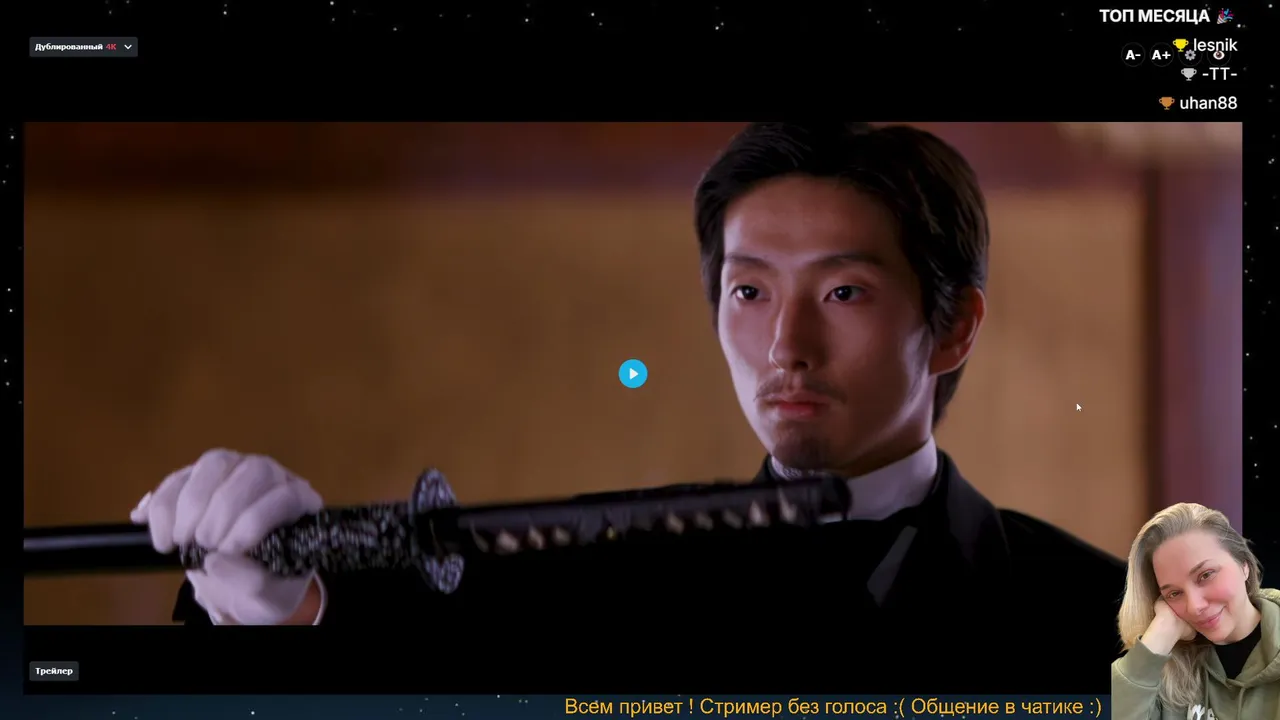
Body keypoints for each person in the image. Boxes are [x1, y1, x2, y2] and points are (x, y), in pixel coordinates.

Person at [131, 122, 1125, 689]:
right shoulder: (617, 570)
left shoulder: (1106, 619)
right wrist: (282, 601)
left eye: (842, 291)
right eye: (748, 291)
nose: (786, 344)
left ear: (953, 328)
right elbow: (424, 644)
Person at [1112, 503, 1280, 719]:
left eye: (1206, 575)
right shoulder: (1165, 669)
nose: (1194, 606)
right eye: (1174, 593)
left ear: (1244, 565)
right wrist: (1162, 632)